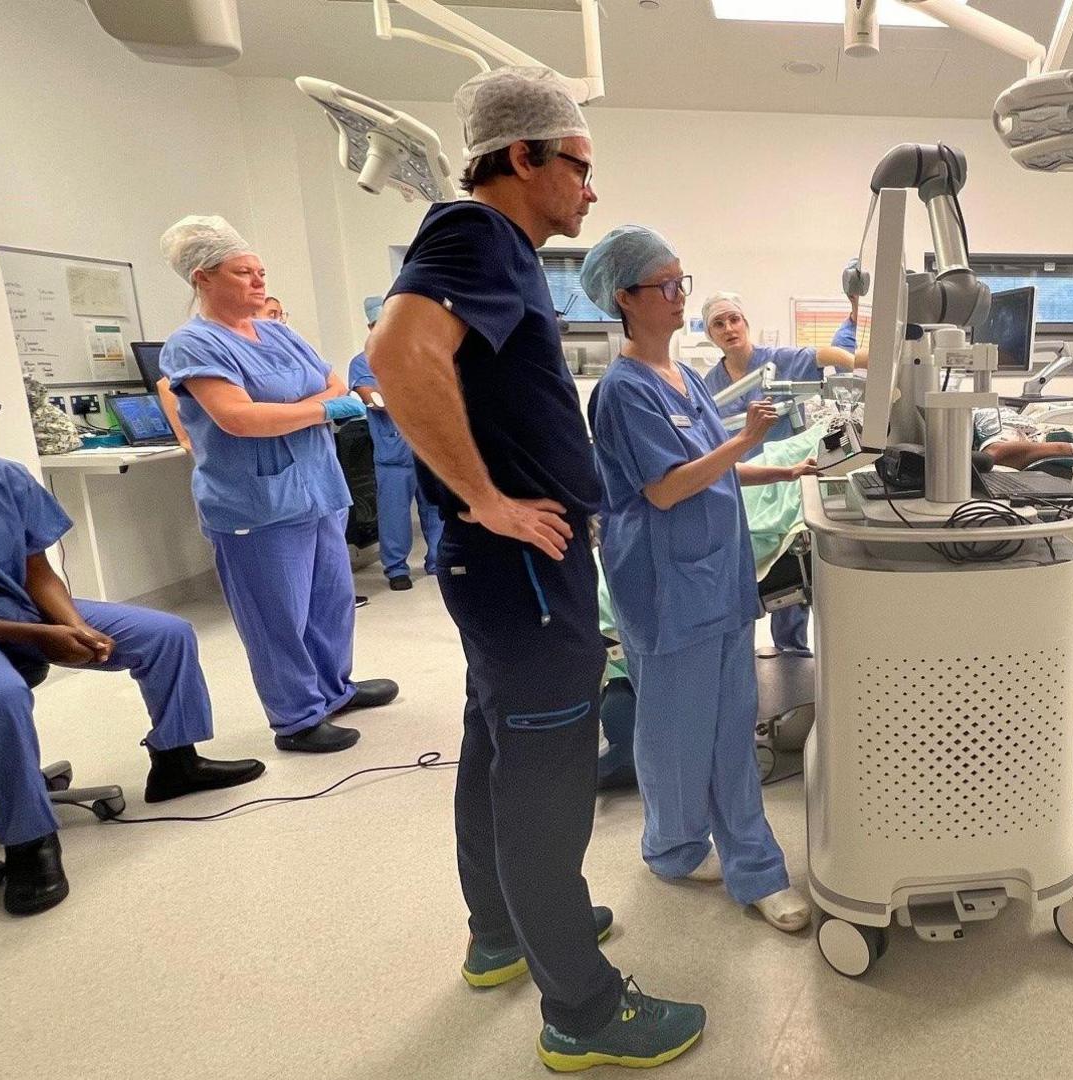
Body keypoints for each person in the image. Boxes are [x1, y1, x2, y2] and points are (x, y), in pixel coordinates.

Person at [366, 68, 704, 1072]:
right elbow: (396, 357)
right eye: (581, 167)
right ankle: (584, 1012)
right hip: (518, 562)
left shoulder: (496, 251)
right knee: (549, 778)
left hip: (505, 568)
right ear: (524, 157)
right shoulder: (474, 235)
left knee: (501, 746)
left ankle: (504, 934)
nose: (591, 192)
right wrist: (486, 499)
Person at [0, 351, 264, 915]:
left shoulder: (0, 476)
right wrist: (37, 635)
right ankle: (28, 842)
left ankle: (177, 761)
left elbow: (35, 569)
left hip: (12, 606)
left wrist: (69, 623)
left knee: (165, 633)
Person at [584, 226, 816, 936]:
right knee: (675, 740)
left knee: (728, 732)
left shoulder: (681, 377)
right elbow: (663, 490)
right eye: (668, 286)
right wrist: (745, 440)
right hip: (665, 586)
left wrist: (784, 467)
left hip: (716, 581)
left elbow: (716, 463)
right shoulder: (623, 391)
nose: (682, 296)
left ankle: (752, 867)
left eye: (684, 281)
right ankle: (675, 848)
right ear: (625, 298)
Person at [156, 215, 397, 754]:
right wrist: (320, 409)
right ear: (202, 278)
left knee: (329, 601)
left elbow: (338, 384)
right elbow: (239, 419)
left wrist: (299, 408)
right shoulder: (192, 346)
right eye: (244, 273)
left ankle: (333, 689)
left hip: (318, 489)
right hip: (255, 503)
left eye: (261, 271)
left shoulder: (279, 333)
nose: (259, 282)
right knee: (276, 616)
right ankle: (296, 717)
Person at [698, 292, 864, 655]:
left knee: (792, 560)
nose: (729, 328)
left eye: (734, 319)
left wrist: (853, 362)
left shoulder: (777, 362)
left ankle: (792, 649)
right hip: (745, 483)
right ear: (710, 335)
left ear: (745, 322)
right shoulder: (708, 386)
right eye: (718, 324)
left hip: (790, 478)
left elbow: (828, 356)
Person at [348, 296, 444, 591]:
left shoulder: (420, 354)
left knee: (436, 508)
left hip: (428, 448)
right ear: (370, 326)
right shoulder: (363, 362)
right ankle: (396, 568)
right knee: (394, 514)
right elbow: (373, 399)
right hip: (393, 452)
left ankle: (438, 561)